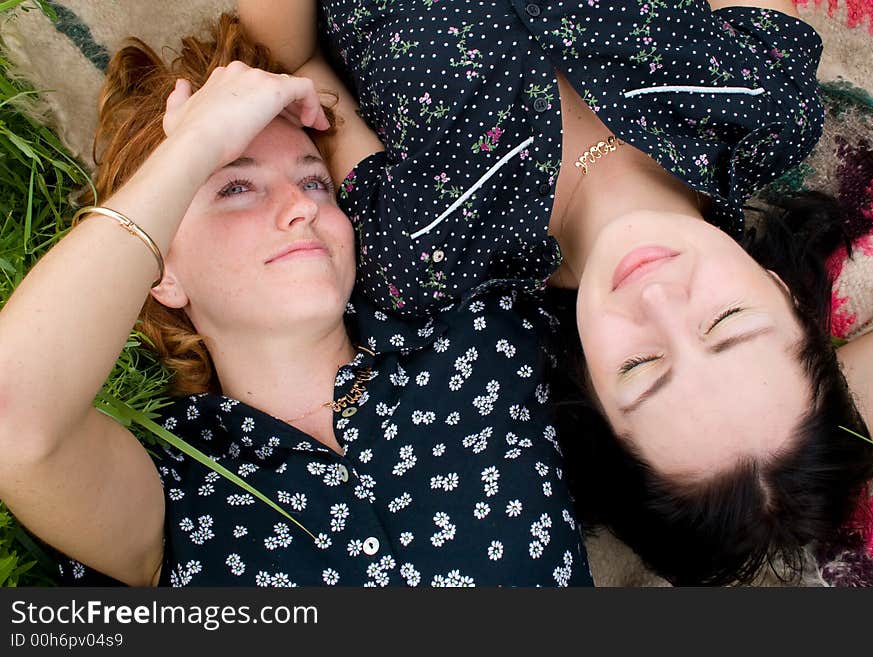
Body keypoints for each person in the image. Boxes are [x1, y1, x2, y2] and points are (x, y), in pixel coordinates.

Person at [237, 1, 873, 584]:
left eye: (642, 367)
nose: (658, 298)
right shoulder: (763, 103)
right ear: (781, 292)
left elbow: (297, 63)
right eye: (727, 321)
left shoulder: (426, 248)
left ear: (592, 393)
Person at [0, 16, 592, 587]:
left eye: (314, 181)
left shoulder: (484, 331)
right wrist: (196, 144)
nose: (302, 205)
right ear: (160, 273)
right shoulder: (173, 489)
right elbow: (13, 417)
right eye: (234, 186)